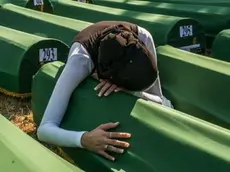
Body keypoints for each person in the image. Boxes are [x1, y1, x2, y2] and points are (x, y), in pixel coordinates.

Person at [37, 21, 173, 161]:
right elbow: (44, 129)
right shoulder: (80, 61)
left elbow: (159, 101)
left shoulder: (143, 37)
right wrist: (83, 139)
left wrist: (132, 92)